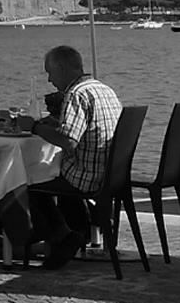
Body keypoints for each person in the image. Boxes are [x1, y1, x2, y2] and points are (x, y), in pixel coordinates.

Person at [18, 45, 122, 269]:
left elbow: (68, 141)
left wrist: (34, 127)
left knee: (27, 179)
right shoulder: (104, 89)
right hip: (110, 173)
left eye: (50, 73)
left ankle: (61, 235)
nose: (50, 80)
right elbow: (84, 130)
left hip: (88, 176)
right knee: (48, 171)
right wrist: (56, 124)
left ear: (62, 69)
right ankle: (75, 229)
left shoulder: (76, 94)